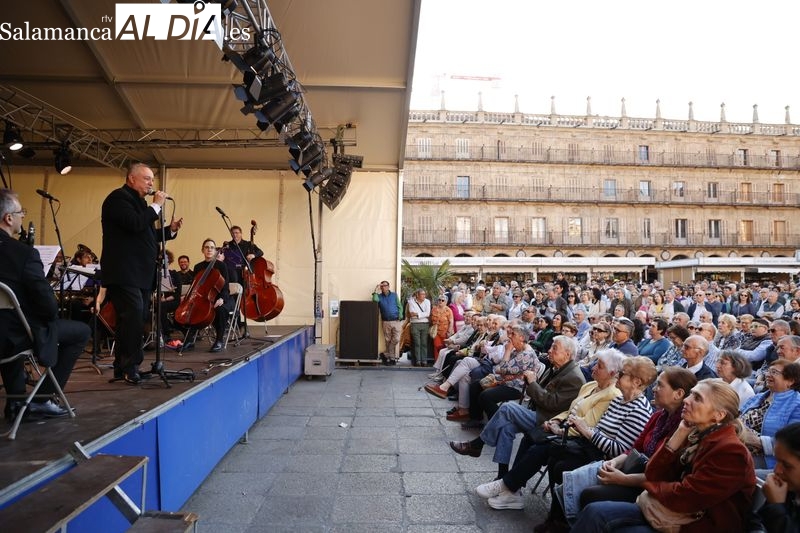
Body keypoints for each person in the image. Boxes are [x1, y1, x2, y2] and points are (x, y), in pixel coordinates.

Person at [571, 379, 757, 533]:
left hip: (696, 525)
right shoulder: (693, 432)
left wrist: (646, 485)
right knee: (594, 512)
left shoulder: (731, 451)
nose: (687, 400)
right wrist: (678, 435)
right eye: (691, 393)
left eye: (697, 398)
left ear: (718, 415)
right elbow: (654, 473)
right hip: (671, 512)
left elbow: (686, 496)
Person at [464, 349, 624, 509]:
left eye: (600, 366)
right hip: (555, 421)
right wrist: (555, 421)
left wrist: (558, 428)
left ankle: (504, 480)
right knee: (510, 428)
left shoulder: (607, 393)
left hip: (573, 435)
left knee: (508, 409)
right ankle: (509, 487)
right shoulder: (590, 385)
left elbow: (582, 422)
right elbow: (570, 411)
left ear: (612, 372)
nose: (594, 367)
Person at [554, 367, 697, 528]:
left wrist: (621, 478)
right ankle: (559, 523)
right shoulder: (659, 415)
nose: (654, 389)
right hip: (631, 470)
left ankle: (568, 525)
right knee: (558, 457)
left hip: (646, 486)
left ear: (678, 394)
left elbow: (663, 475)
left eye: (660, 385)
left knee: (589, 493)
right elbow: (636, 448)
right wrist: (614, 463)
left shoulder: (682, 428)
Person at [0, 189, 91, 419]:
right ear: (8, 218)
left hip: (5, 333)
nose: (23, 216)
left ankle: (16, 402)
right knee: (81, 331)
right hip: (10, 337)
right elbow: (49, 307)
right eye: (21, 212)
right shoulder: (22, 253)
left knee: (10, 322)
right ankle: (41, 400)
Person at [101, 163, 182, 384]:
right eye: (146, 179)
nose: (151, 184)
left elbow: (145, 234)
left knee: (132, 319)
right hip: (124, 271)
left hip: (141, 274)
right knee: (133, 316)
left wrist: (169, 231)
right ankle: (131, 366)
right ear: (131, 179)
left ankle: (122, 367)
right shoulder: (118, 199)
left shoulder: (140, 204)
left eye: (152, 180)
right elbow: (135, 224)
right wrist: (156, 206)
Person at [739, 359, 800, 469]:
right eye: (768, 371)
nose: (768, 375)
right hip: (739, 443)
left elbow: (793, 443)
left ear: (790, 381)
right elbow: (737, 416)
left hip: (767, 458)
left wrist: (758, 441)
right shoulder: (758, 397)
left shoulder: (796, 404)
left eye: (774, 372)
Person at [181, 239, 232, 353]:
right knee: (190, 309)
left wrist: (222, 298)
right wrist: (187, 296)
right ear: (202, 250)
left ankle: (219, 340)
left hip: (220, 297)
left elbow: (225, 287)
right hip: (203, 297)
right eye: (207, 247)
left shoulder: (221, 266)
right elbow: (195, 285)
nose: (209, 249)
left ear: (215, 251)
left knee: (220, 310)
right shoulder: (198, 266)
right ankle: (189, 340)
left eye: (212, 247)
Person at [755, 422, 800, 532]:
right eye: (777, 461)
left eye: (786, 465)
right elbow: (755, 521)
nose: (776, 470)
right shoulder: (788, 490)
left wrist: (775, 505)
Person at [372, 280, 403, 365]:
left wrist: (400, 315)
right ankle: (392, 359)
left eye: (385, 286)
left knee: (396, 339)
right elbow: (374, 300)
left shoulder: (394, 295)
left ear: (388, 286)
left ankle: (385, 354)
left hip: (396, 320)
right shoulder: (378, 296)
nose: (383, 287)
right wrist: (376, 290)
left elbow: (399, 306)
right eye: (382, 286)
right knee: (387, 340)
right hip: (385, 321)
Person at [407, 288, 431, 366]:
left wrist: (417, 314)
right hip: (415, 324)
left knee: (424, 343)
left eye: (424, 294)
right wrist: (422, 314)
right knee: (417, 343)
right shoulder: (411, 302)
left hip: (425, 324)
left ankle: (424, 360)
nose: (424, 296)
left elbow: (428, 313)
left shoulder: (427, 301)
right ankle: (418, 360)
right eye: (422, 294)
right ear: (417, 295)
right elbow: (411, 314)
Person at [429, 295, 454, 361]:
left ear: (446, 302)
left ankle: (443, 361)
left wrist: (449, 331)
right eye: (439, 300)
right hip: (436, 331)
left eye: (442, 300)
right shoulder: (434, 309)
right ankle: (437, 361)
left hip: (445, 332)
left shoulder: (448, 310)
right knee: (437, 346)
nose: (440, 301)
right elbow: (430, 320)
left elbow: (451, 321)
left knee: (444, 346)